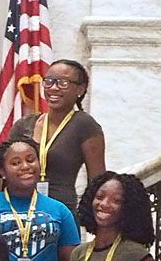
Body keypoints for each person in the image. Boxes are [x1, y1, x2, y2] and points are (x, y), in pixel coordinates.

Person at [7, 59, 106, 217]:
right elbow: (4, 173)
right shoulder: (23, 125)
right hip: (18, 211)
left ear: (80, 89)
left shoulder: (85, 125)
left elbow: (98, 180)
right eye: (49, 82)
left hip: (61, 213)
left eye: (63, 83)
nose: (53, 88)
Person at [0, 136, 79, 261]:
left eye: (31, 159)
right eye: (15, 163)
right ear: (2, 172)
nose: (25, 166)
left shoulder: (60, 210)